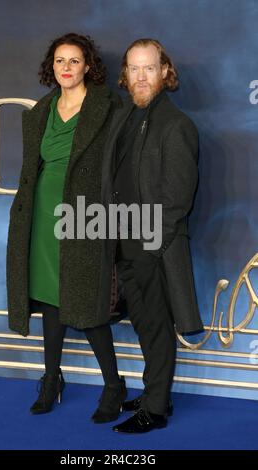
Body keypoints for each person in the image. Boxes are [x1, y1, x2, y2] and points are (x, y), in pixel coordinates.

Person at [6, 33, 127, 422]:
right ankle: (51, 379)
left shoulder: (108, 107)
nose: (66, 68)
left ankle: (113, 385)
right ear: (51, 66)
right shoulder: (41, 110)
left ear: (88, 65)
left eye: (74, 61)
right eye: (60, 61)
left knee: (88, 304)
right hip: (40, 216)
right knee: (49, 301)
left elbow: (120, 168)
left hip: (84, 218)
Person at [101, 38, 203, 433]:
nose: (141, 77)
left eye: (149, 68)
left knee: (158, 326)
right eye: (134, 69)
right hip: (123, 242)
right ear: (125, 74)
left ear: (165, 72)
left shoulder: (177, 125)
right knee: (144, 325)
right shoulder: (124, 116)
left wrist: (151, 246)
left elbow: (178, 200)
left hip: (153, 247)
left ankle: (156, 408)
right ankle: (153, 391)